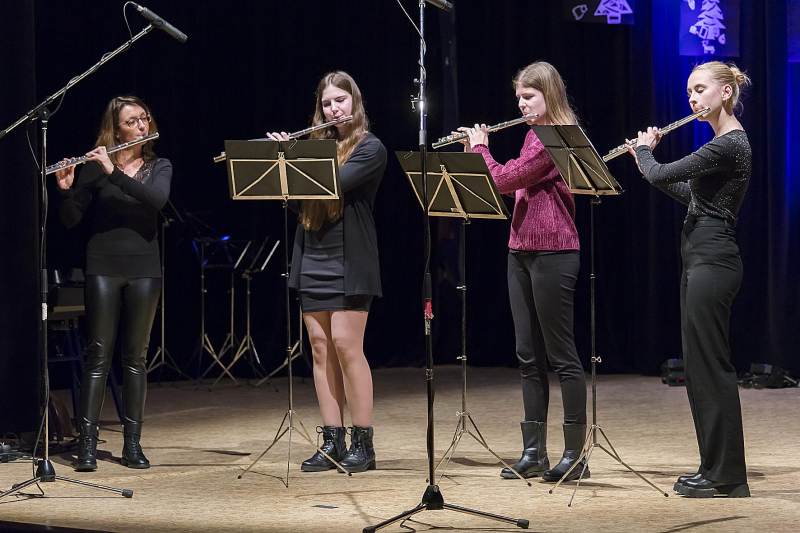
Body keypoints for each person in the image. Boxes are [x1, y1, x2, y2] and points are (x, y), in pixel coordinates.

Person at [628, 61, 752, 498]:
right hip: (701, 258)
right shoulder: (721, 143)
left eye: (700, 90)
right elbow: (689, 195)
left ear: (725, 93)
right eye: (689, 93)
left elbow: (665, 172)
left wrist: (646, 153)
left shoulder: (729, 143)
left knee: (712, 369)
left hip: (713, 261)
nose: (693, 99)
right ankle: (714, 467)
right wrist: (646, 164)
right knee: (698, 370)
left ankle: (727, 475)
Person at [459, 61, 588, 481]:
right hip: (520, 251)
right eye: (518, 97)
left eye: (528, 97)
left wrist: (480, 149)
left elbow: (505, 179)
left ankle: (575, 454)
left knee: (562, 356)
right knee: (528, 356)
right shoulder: (534, 136)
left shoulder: (556, 139)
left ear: (548, 96)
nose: (521, 104)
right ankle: (534, 451)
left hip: (554, 253)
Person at [266, 71, 387, 473]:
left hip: (349, 259)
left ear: (355, 101)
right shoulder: (316, 149)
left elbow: (330, 184)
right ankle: (332, 440)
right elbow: (300, 202)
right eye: (327, 103)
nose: (334, 109)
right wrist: (283, 167)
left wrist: (293, 159)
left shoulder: (371, 148)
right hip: (313, 254)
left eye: (341, 101)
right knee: (319, 349)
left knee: (346, 345)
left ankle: (363, 443)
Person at [56, 96, 172, 471]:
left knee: (135, 358)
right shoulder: (94, 169)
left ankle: (132, 445)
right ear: (116, 129)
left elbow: (155, 200)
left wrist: (113, 172)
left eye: (144, 118)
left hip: (144, 270)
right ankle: (87, 446)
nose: (141, 125)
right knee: (97, 357)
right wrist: (65, 189)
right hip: (103, 266)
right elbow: (72, 221)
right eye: (132, 121)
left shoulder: (159, 165)